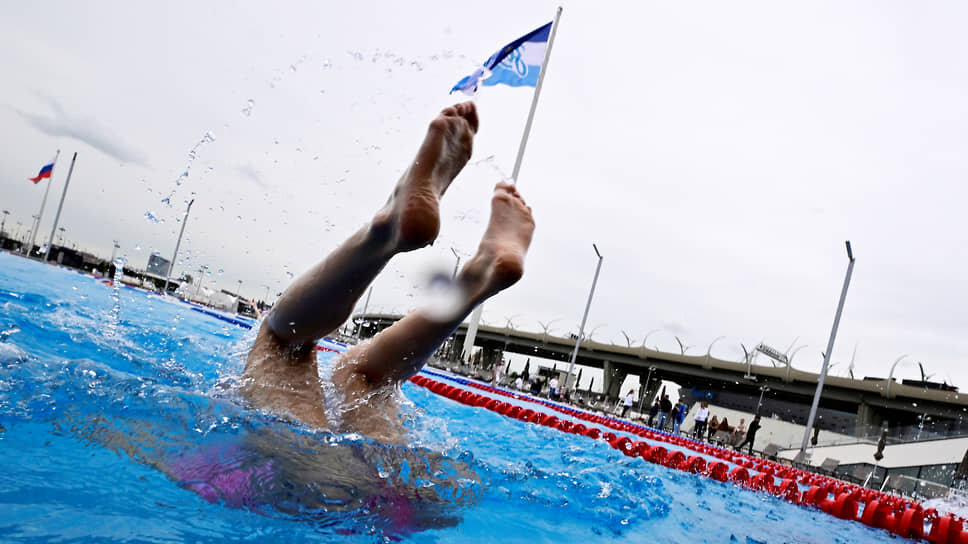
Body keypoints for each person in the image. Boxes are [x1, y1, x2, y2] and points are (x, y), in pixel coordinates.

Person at [241, 101, 536, 445]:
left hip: (299, 477)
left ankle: (386, 231)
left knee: (282, 342)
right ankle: (474, 276)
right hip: (392, 493)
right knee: (364, 378)